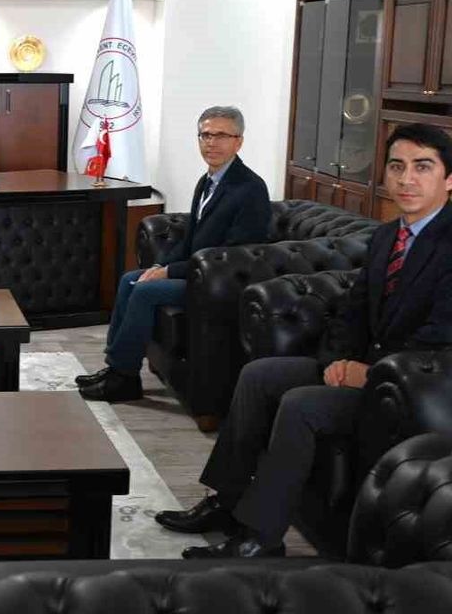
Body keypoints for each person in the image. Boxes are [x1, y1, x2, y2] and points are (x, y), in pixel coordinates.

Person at [155, 123, 452, 558]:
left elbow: (441, 335)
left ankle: (262, 538)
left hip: (417, 389)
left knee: (301, 405)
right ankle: (227, 502)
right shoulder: (388, 235)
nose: (407, 179)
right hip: (362, 366)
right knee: (258, 376)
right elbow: (351, 310)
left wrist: (371, 372)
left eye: (422, 167)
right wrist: (337, 361)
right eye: (397, 166)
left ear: (449, 178)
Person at [79, 105, 271, 403]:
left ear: (239, 142)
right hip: (196, 272)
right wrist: (160, 264)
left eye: (221, 135)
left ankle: (125, 379)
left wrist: (169, 272)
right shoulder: (207, 181)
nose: (212, 142)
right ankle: (115, 366)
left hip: (220, 281)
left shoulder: (250, 188)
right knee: (131, 279)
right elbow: (191, 237)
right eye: (205, 135)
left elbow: (233, 256)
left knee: (145, 291)